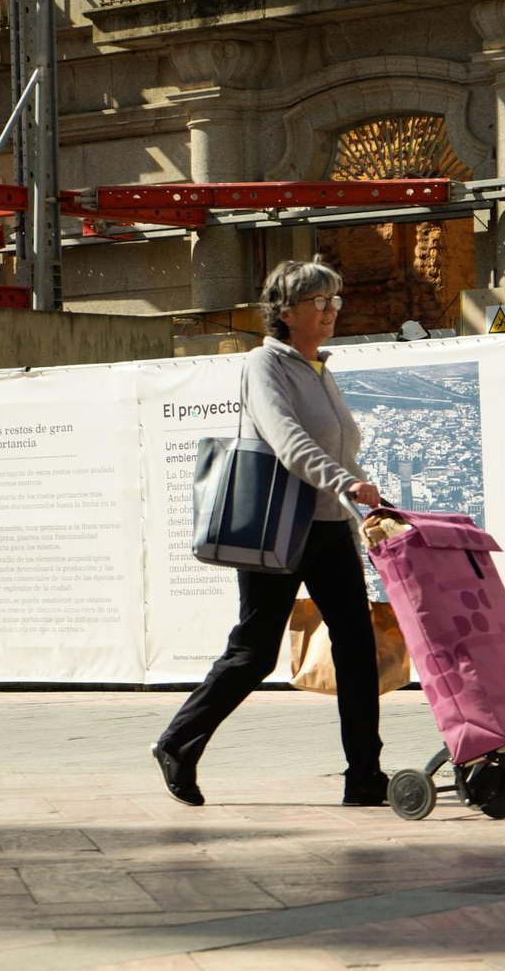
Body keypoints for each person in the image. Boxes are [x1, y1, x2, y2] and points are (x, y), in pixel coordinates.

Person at [152, 258, 389, 807]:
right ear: (286, 311)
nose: (331, 312)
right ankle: (177, 743)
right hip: (279, 528)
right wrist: (345, 482)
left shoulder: (320, 368)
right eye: (318, 302)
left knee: (357, 648)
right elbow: (287, 441)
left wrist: (352, 498)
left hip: (330, 530)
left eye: (336, 301)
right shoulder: (265, 364)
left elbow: (336, 443)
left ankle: (365, 777)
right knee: (255, 653)